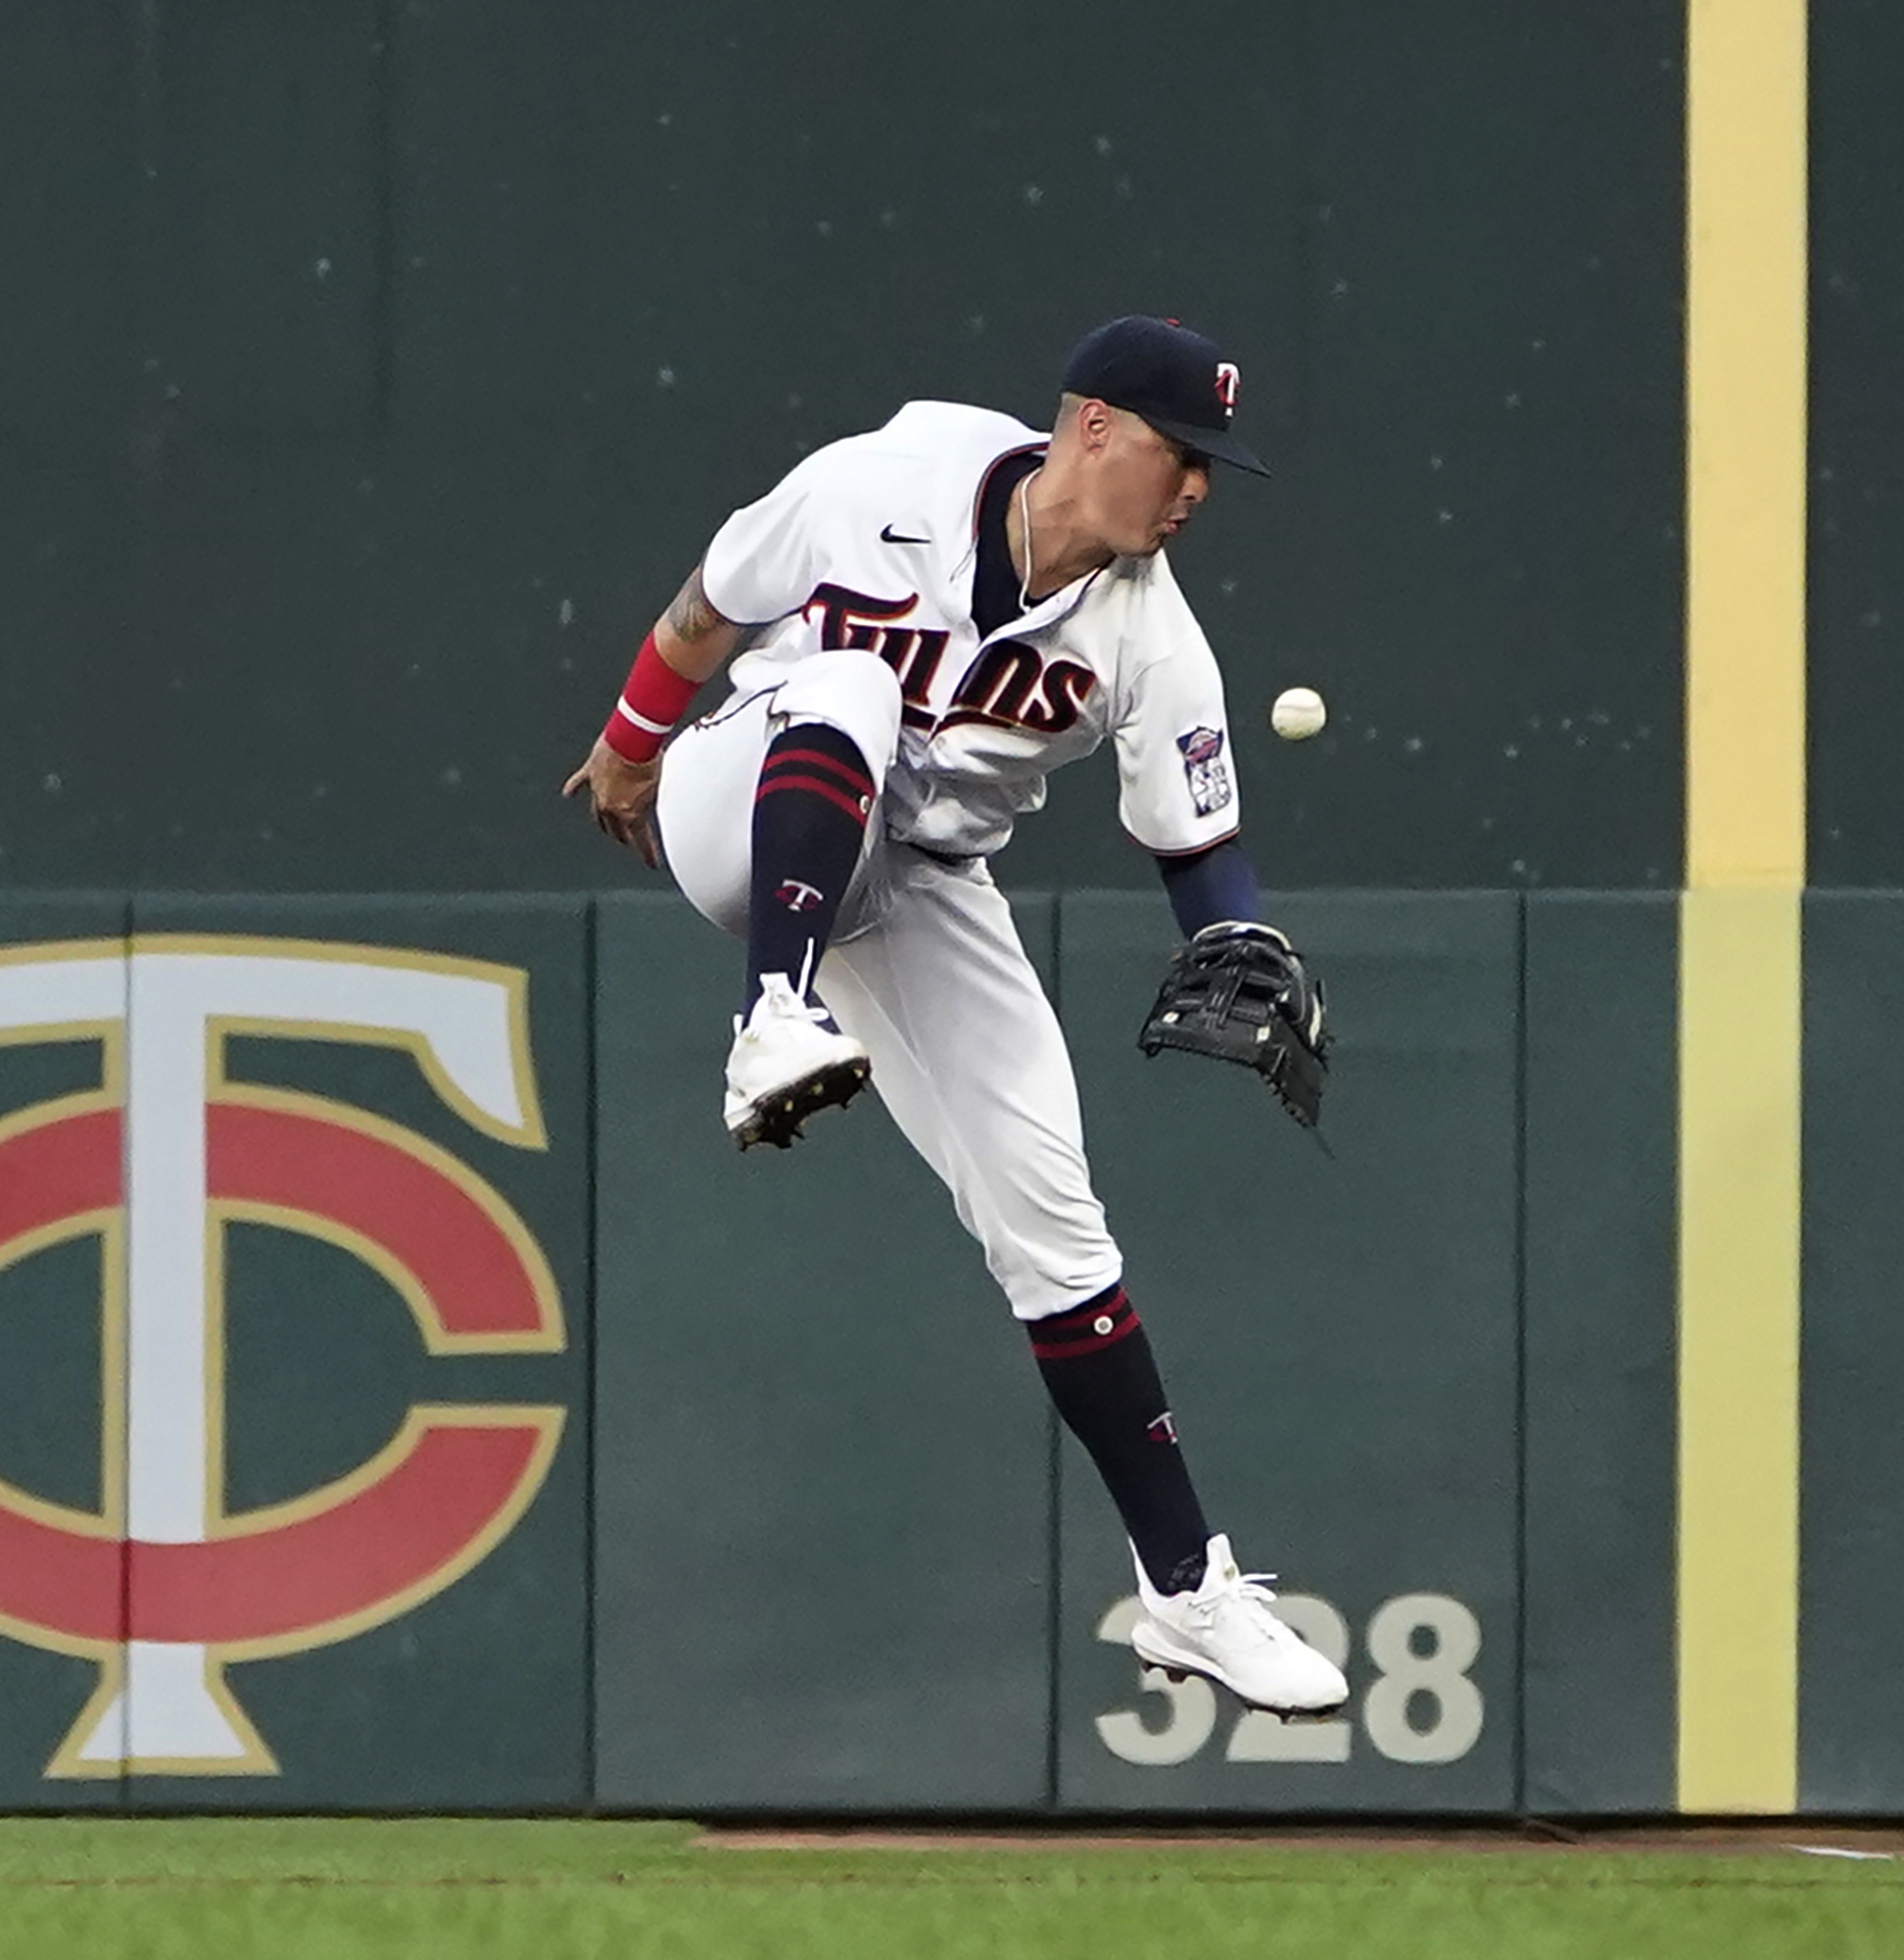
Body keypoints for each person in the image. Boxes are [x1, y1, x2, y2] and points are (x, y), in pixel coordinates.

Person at [560, 315, 1347, 1715]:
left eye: (1213, 468)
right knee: (851, 684)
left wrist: (1239, 931)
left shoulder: (1151, 634)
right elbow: (712, 602)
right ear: (1092, 426)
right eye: (1181, 454)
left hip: (913, 882)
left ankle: (1186, 1590)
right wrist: (628, 750)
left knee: (1055, 1220)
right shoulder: (887, 480)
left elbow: (1197, 852)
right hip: (745, 793)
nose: (1197, 492)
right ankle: (769, 1021)